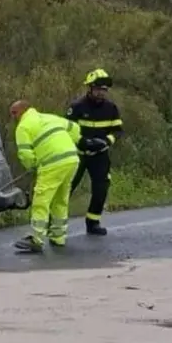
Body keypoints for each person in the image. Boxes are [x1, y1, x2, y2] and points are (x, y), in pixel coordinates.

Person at [9, 100, 82, 253]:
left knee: (41, 200)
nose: (13, 117)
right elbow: (75, 129)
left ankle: (36, 238)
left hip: (52, 163)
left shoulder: (23, 127)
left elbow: (25, 154)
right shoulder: (50, 117)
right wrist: (71, 143)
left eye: (14, 113)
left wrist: (33, 166)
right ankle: (58, 236)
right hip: (71, 160)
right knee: (60, 199)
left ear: (23, 110)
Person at [66, 68, 124, 236]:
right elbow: (65, 129)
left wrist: (107, 141)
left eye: (104, 90)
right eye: (98, 89)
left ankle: (93, 222)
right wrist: (81, 142)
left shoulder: (111, 108)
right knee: (66, 188)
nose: (101, 93)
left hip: (100, 155)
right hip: (77, 154)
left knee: (101, 189)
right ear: (90, 88)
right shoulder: (77, 107)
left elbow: (118, 131)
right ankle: (52, 221)